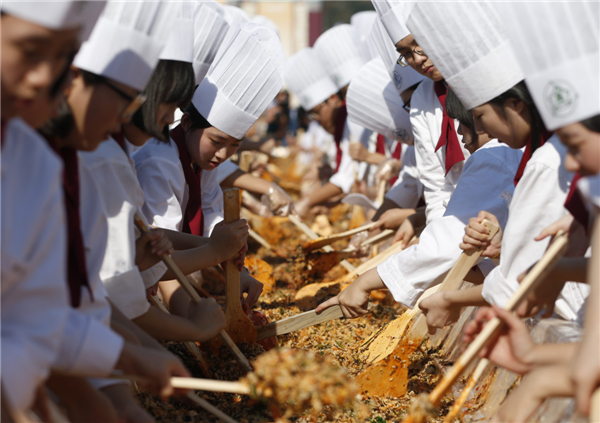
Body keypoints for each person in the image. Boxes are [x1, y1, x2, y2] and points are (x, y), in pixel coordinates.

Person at [134, 22, 284, 319]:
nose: (222, 154)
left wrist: (233, 267)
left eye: (233, 145)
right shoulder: (158, 162)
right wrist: (190, 315)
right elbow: (159, 252)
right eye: (216, 141)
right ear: (186, 122)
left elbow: (213, 216)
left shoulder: (202, 161)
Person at [372, 0, 470, 227]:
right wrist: (437, 240)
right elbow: (436, 186)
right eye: (405, 53)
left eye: (419, 43)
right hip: (455, 227)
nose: (416, 59)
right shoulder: (422, 98)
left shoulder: (475, 79)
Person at [293, 24, 373, 217]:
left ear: (334, 99)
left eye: (317, 112)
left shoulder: (355, 118)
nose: (317, 120)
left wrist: (307, 201)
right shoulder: (349, 121)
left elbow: (346, 179)